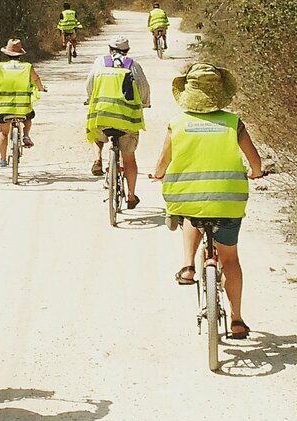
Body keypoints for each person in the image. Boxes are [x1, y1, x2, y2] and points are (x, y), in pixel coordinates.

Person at [152, 63, 265, 339]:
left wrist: (157, 174)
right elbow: (255, 161)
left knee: (191, 214)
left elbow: (163, 161)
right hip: (228, 201)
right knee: (230, 259)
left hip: (187, 197)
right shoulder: (232, 123)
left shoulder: (177, 123)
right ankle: (237, 320)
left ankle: (189, 266)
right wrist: (256, 172)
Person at [85, 36, 151, 209]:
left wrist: (91, 99)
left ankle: (97, 158)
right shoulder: (133, 65)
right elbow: (143, 88)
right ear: (127, 50)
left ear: (109, 49)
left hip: (102, 116)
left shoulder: (100, 62)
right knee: (129, 157)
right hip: (126, 120)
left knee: (97, 134)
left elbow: (90, 83)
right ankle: (130, 196)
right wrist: (144, 103)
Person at [0, 39, 47, 168]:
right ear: (21, 54)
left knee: (3, 132)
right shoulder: (27, 66)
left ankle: (2, 160)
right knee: (29, 116)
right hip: (22, 107)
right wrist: (41, 88)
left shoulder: (0, 66)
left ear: (7, 53)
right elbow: (36, 79)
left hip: (3, 107)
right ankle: (26, 135)